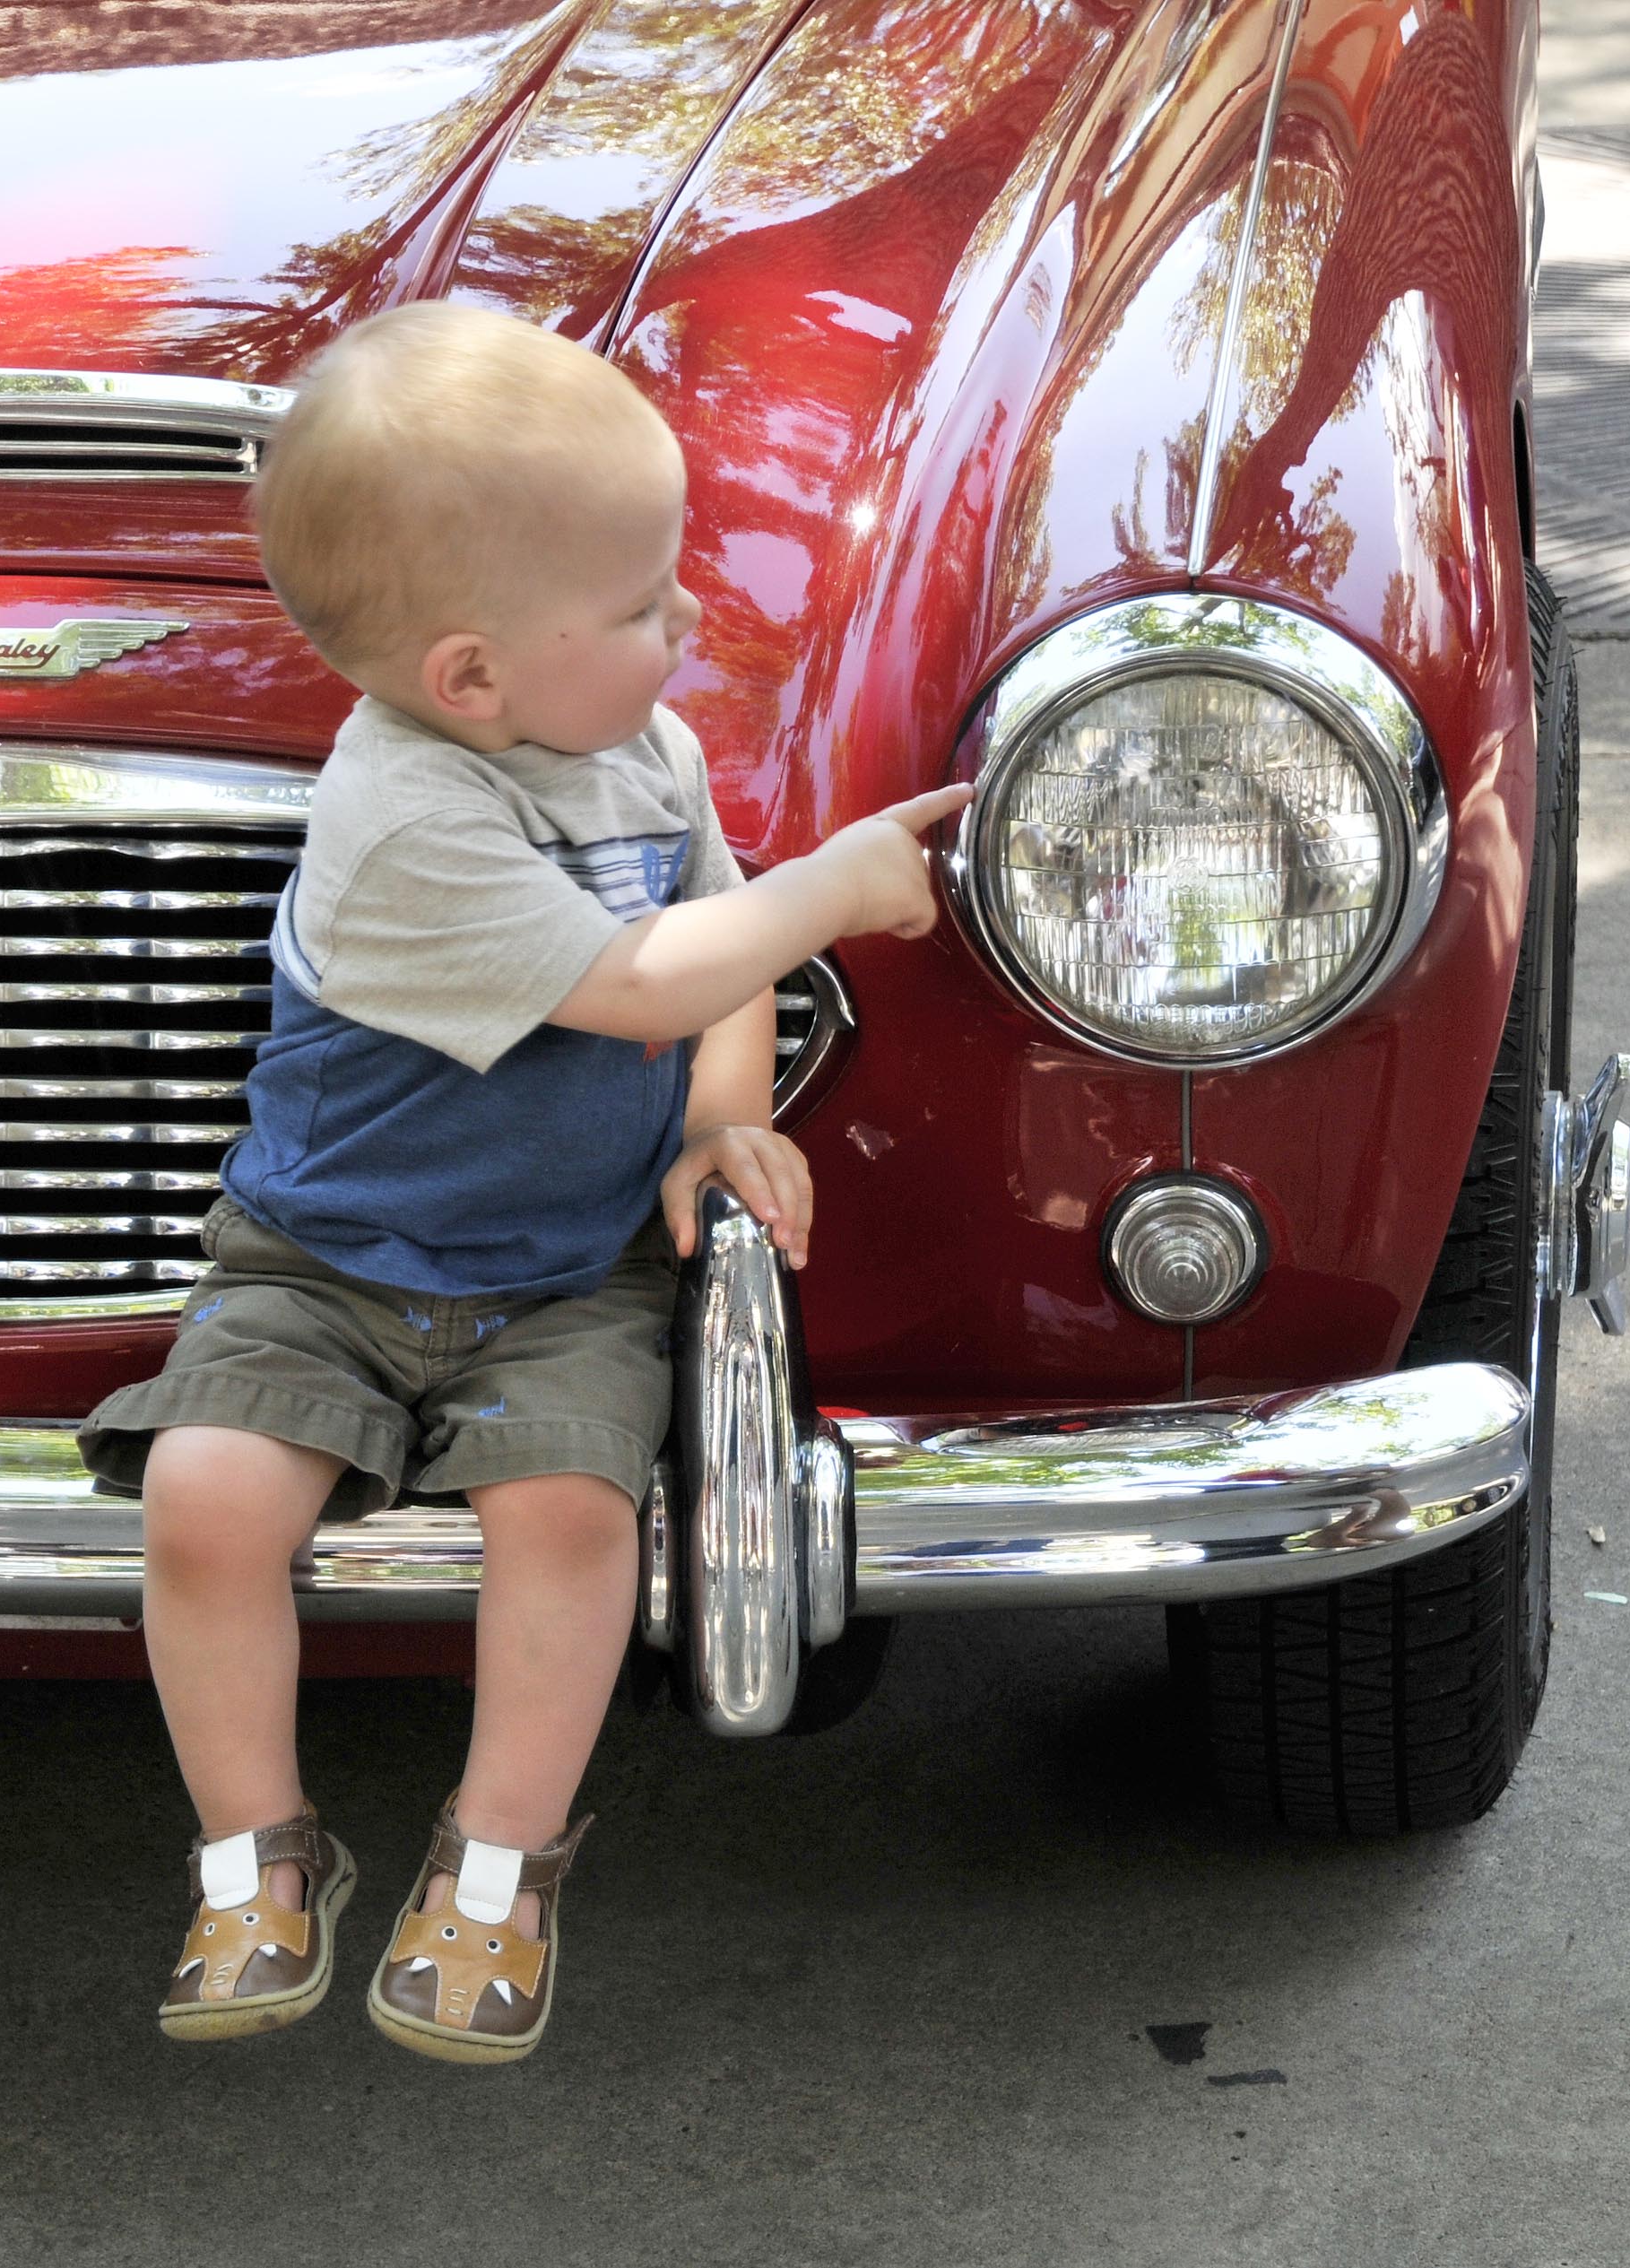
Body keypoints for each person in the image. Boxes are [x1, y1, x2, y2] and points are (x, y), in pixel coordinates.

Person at [78, 301, 969, 2064]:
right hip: (326, 1256)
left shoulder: (640, 751)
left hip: (567, 1266)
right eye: (642, 605)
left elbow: (708, 971)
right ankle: (256, 1848)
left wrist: (722, 1115)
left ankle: (497, 1867)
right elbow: (640, 973)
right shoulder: (406, 809)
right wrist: (843, 880)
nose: (687, 621)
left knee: (566, 1513)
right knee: (205, 1495)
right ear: (473, 675)